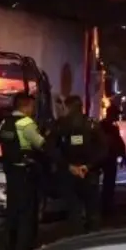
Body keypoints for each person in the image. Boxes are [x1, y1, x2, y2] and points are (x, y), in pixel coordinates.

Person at [0, 92, 78, 250]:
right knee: (27, 213)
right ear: (25, 106)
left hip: (10, 172)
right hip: (25, 174)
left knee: (12, 211)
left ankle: (8, 249)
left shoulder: (5, 122)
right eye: (32, 106)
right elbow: (43, 146)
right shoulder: (26, 123)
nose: (33, 110)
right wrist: (64, 161)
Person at [48, 95, 107, 233]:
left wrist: (68, 166)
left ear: (67, 107)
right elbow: (103, 149)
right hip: (89, 173)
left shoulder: (59, 125)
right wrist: (88, 166)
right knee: (92, 210)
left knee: (74, 210)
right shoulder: (92, 124)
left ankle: (77, 243)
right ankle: (94, 242)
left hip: (69, 174)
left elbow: (50, 149)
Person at [99, 104, 126, 220]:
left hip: (109, 157)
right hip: (106, 157)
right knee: (108, 183)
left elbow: (119, 143)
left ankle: (107, 205)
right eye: (116, 114)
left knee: (109, 183)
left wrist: (124, 157)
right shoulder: (104, 126)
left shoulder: (111, 126)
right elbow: (116, 142)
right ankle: (105, 206)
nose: (117, 117)